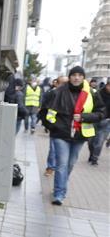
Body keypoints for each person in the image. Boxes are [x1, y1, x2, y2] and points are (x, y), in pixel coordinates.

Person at [38, 66, 106, 205]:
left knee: (69, 164)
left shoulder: (92, 93)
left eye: (79, 75)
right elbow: (43, 111)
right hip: (60, 134)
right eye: (73, 75)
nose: (76, 77)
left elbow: (101, 113)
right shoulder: (58, 92)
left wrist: (84, 117)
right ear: (69, 77)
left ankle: (60, 186)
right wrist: (52, 127)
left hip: (79, 135)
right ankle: (59, 194)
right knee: (62, 165)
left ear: (83, 77)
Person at [44, 75, 68, 175]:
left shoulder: (71, 95)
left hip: (67, 128)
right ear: (56, 83)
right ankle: (50, 167)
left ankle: (59, 169)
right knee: (53, 148)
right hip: (55, 127)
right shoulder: (52, 94)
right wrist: (50, 125)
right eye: (62, 83)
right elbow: (45, 109)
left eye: (66, 83)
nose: (64, 85)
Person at [86, 80, 110, 165]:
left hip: (106, 122)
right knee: (90, 141)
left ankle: (94, 159)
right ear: (107, 85)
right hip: (94, 120)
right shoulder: (98, 93)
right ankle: (91, 154)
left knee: (99, 142)